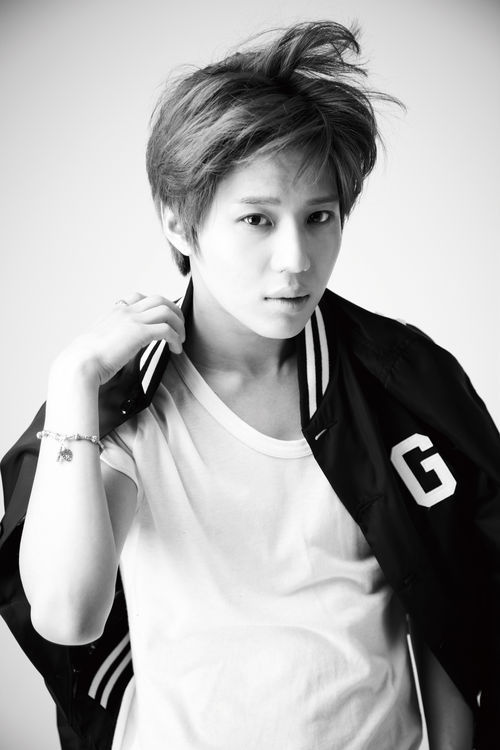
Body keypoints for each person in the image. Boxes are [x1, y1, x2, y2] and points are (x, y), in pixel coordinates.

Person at [0, 19, 499, 750]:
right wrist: (73, 380)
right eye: (257, 220)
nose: (296, 259)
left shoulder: (396, 383)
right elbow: (68, 616)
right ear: (180, 223)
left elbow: (448, 603)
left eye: (319, 217)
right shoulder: (133, 405)